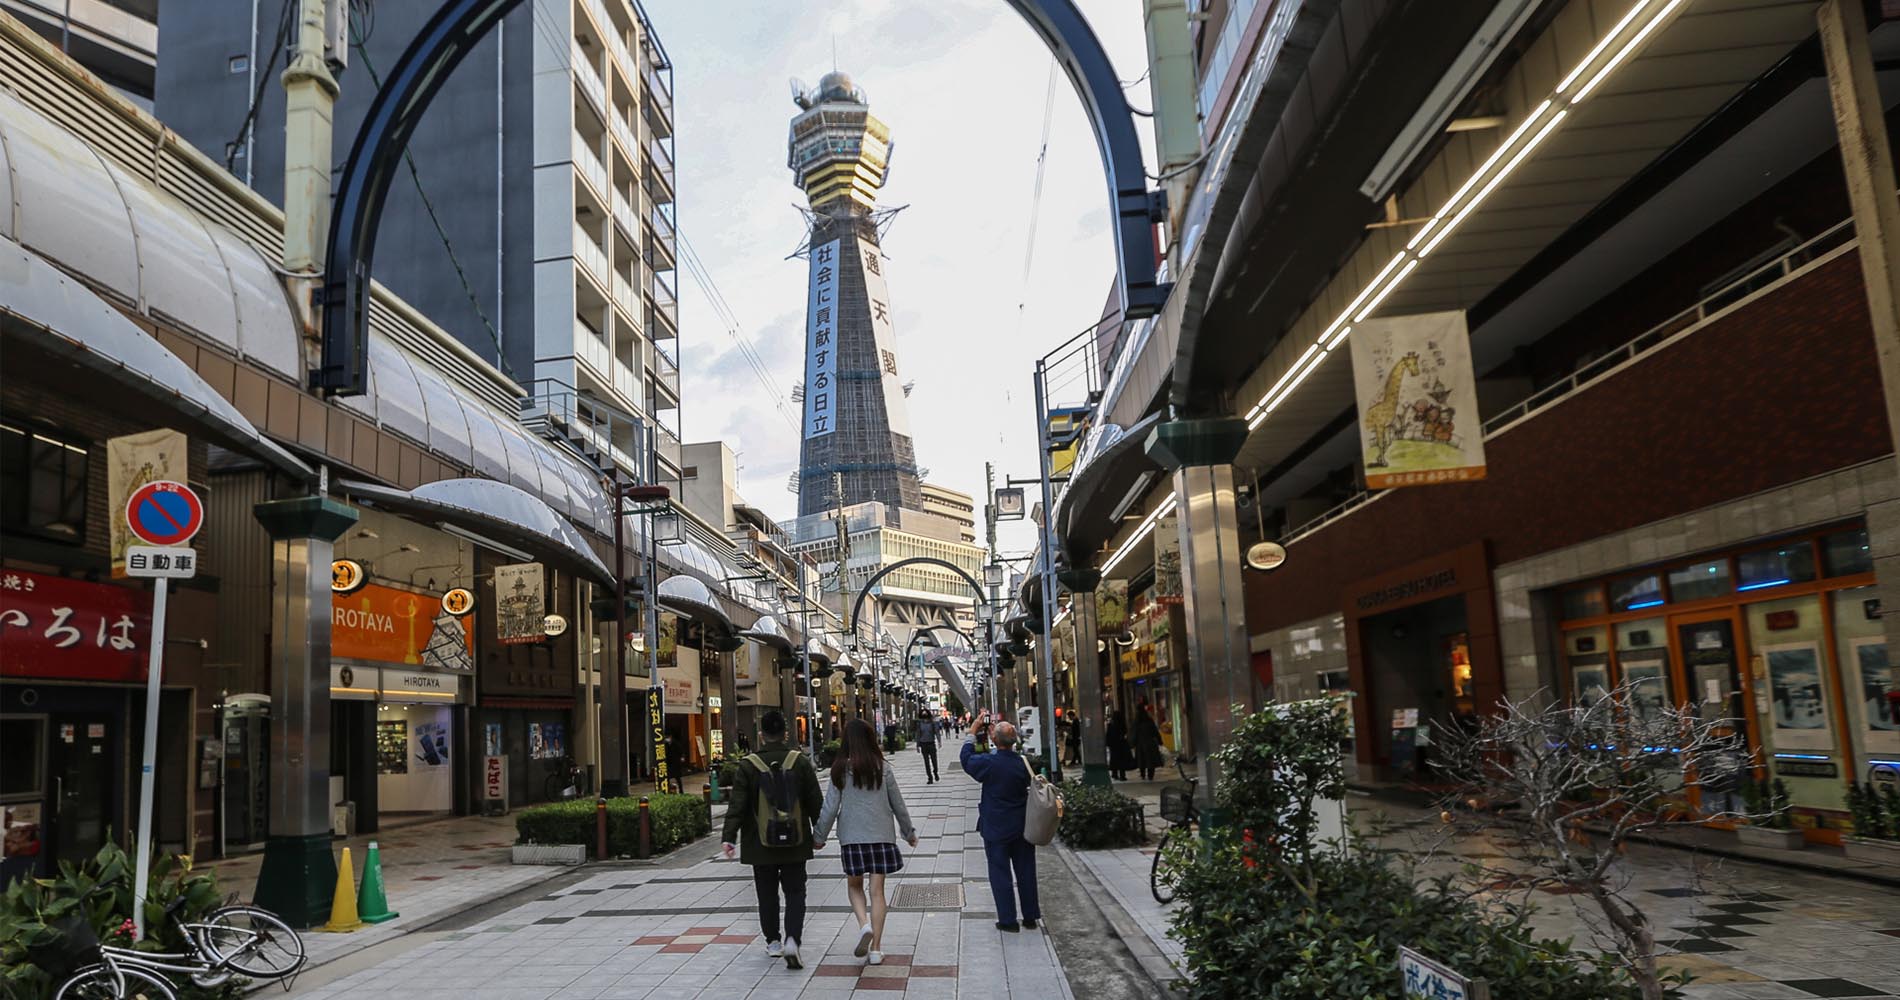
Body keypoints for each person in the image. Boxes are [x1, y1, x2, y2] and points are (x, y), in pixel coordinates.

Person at [720, 710, 823, 970]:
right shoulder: (799, 762)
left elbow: (738, 805)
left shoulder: (748, 764)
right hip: (796, 841)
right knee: (796, 891)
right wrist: (819, 834)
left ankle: (773, 942)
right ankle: (792, 939)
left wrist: (729, 837)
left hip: (759, 843)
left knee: (766, 894)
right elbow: (815, 802)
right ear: (785, 733)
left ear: (761, 734)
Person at [814, 718, 917, 966]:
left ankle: (863, 924)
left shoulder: (840, 769)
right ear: (870, 739)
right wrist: (908, 832)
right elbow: (897, 804)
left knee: (854, 886)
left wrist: (819, 837)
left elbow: (830, 808)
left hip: (851, 838)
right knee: (878, 891)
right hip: (881, 835)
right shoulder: (883, 767)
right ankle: (876, 950)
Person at [961, 714, 1041, 933]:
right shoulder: (1023, 762)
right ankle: (1031, 916)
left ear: (995, 741)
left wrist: (972, 732)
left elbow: (966, 760)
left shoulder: (989, 763)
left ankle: (1008, 920)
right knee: (1026, 871)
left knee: (1000, 872)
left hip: (996, 825)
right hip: (1023, 824)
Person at [1133, 704, 1163, 781]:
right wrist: (1160, 741)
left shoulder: (1137, 722)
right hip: (1150, 742)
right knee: (1150, 760)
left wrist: (1133, 742)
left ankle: (1142, 774)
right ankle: (1150, 775)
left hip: (1140, 743)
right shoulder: (1149, 720)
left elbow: (1134, 733)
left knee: (1141, 759)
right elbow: (1155, 731)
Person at [913, 709, 942, 783]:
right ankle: (930, 777)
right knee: (926, 762)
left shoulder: (932, 723)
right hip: (923, 744)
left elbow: (936, 732)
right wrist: (917, 745)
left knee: (934, 760)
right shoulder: (920, 724)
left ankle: (935, 772)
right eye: (923, 713)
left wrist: (939, 741)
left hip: (931, 743)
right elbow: (918, 734)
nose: (924, 714)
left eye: (925, 713)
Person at [1106, 712, 1133, 781]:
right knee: (1122, 760)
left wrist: (1108, 743)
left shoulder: (1110, 725)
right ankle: (1122, 775)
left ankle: (1114, 774)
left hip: (1113, 745)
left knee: (1114, 759)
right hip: (1121, 744)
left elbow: (1108, 735)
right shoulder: (1122, 724)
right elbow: (1125, 733)